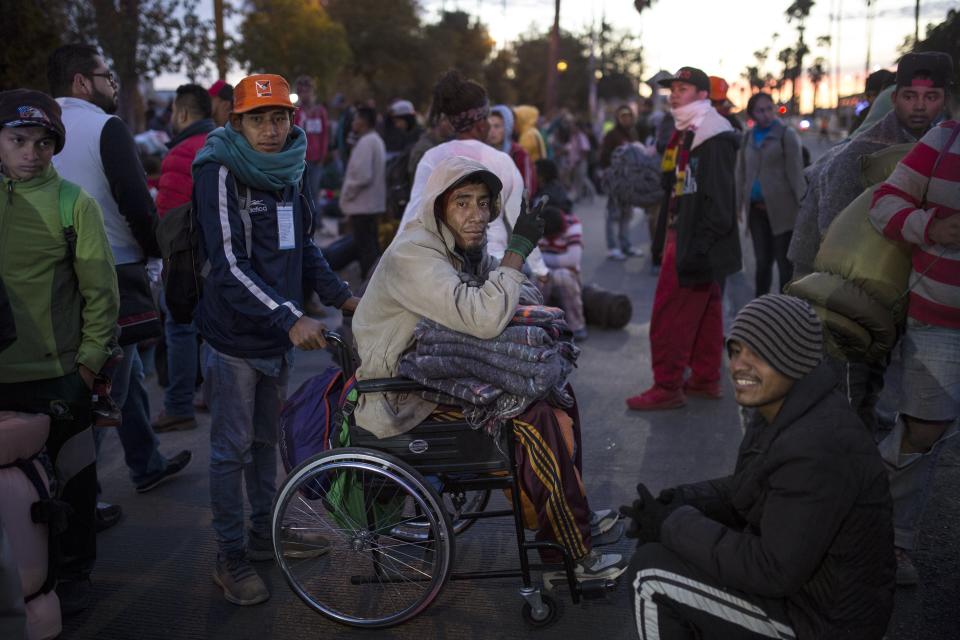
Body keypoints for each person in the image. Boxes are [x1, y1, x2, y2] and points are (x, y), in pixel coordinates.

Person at [354, 154, 626, 581]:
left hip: (438, 374)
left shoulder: (463, 248)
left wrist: (514, 265)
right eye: (462, 202)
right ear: (438, 206)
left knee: (557, 394)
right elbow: (483, 316)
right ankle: (569, 552)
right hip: (399, 395)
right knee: (532, 416)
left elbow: (517, 295)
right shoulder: (414, 254)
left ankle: (569, 517)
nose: (476, 215)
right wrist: (516, 252)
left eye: (483, 203)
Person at [624, 294, 894, 640]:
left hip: (825, 623)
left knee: (651, 575)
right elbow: (748, 487)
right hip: (806, 596)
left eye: (758, 353)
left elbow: (772, 569)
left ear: (794, 357)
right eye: (735, 351)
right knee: (667, 550)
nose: (738, 365)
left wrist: (673, 525)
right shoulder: (786, 405)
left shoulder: (817, 446)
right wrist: (678, 501)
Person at [192, 73, 360, 605]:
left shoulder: (291, 167)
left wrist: (344, 297)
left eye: (279, 117)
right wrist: (290, 317)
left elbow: (305, 245)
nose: (271, 129)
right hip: (234, 337)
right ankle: (230, 555)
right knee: (230, 451)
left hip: (275, 340)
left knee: (267, 443)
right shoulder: (218, 170)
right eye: (258, 119)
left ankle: (265, 534)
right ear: (235, 123)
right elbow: (227, 266)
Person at [48, 45, 191, 503]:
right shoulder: (105, 127)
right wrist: (156, 254)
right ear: (81, 82)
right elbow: (135, 202)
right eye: (106, 76)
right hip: (111, 271)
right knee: (110, 385)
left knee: (118, 375)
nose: (113, 84)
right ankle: (75, 501)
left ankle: (145, 463)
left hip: (52, 273)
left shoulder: (34, 129)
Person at [0, 89, 120, 614]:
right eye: (17, 140)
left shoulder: (75, 202)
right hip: (3, 376)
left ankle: (74, 584)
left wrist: (88, 365)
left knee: (71, 491)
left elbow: (102, 294)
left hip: (61, 376)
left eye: (43, 142)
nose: (31, 152)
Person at [868, 115, 960, 585]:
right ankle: (888, 535)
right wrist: (931, 228)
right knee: (923, 432)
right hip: (941, 319)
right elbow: (883, 204)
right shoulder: (947, 138)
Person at [626, 67, 740, 410]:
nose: (674, 94)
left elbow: (719, 202)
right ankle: (705, 379)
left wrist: (697, 247)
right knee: (707, 311)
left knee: (668, 315)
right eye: (673, 88)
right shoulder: (686, 130)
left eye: (683, 88)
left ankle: (667, 385)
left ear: (703, 95)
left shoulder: (712, 135)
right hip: (689, 234)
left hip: (694, 239)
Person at [789, 52, 950, 278]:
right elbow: (831, 233)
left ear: (945, 100)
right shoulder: (861, 153)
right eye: (910, 96)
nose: (920, 106)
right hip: (831, 271)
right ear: (894, 99)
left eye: (931, 97)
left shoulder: (944, 146)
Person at [398, 70, 548, 280]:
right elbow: (520, 219)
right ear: (480, 123)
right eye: (487, 117)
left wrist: (396, 259)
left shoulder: (432, 158)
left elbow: (413, 215)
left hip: (443, 267)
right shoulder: (502, 161)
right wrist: (540, 269)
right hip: (494, 265)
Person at [151, 84, 216, 433]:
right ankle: (208, 393)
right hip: (215, 259)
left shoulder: (180, 153)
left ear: (184, 113)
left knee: (179, 327)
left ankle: (178, 405)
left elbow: (168, 217)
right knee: (209, 329)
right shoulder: (222, 143)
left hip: (184, 262)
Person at [734, 92, 805, 297]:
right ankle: (760, 309)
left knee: (784, 265)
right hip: (756, 212)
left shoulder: (786, 135)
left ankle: (785, 310)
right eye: (760, 110)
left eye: (768, 109)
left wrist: (803, 206)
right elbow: (741, 172)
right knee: (762, 263)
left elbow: (796, 173)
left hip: (783, 212)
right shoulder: (748, 137)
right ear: (752, 114)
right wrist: (738, 203)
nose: (765, 114)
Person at [340, 105, 386, 280]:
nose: (353, 122)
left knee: (366, 249)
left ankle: (369, 286)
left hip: (362, 205)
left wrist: (347, 194)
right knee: (370, 246)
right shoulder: (375, 140)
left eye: (355, 118)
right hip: (371, 205)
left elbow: (362, 176)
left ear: (363, 121)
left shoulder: (367, 142)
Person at [599, 105, 643, 261]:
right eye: (623, 116)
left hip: (629, 182)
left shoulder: (632, 133)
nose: (626, 119)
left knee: (627, 214)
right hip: (615, 181)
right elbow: (603, 156)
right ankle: (612, 248)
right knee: (613, 214)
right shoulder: (612, 135)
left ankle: (626, 245)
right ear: (618, 118)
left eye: (629, 116)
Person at [538, 205, 588, 341]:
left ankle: (577, 325)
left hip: (569, 278)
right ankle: (537, 323)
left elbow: (573, 259)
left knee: (562, 276)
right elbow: (529, 258)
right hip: (545, 275)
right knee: (537, 277)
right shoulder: (537, 225)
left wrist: (542, 259)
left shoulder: (573, 225)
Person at [293, 76, 329, 209]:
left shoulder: (320, 112)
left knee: (314, 191)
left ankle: (316, 222)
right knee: (298, 191)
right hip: (299, 160)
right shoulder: (296, 112)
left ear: (312, 91)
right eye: (301, 91)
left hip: (316, 160)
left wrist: (323, 156)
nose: (304, 94)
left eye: (307, 91)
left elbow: (325, 135)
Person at [489, 104, 536, 195]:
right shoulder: (482, 152)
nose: (492, 131)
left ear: (507, 127)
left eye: (497, 126)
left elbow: (528, 189)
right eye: (489, 126)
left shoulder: (519, 153)